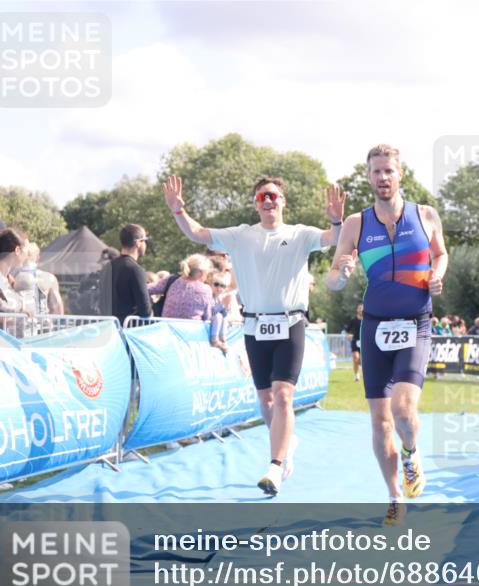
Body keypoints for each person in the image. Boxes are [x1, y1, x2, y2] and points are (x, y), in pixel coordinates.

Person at [163, 174, 344, 496]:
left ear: (283, 201)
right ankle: (286, 444)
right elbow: (197, 233)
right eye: (262, 196)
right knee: (266, 399)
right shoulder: (240, 236)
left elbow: (333, 238)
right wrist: (178, 210)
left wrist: (337, 220)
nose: (269, 200)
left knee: (284, 394)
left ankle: (275, 466)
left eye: (274, 195)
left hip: (290, 323)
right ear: (255, 203)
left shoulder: (300, 234)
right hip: (254, 325)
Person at [326, 144, 448, 526]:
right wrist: (342, 274)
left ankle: (411, 455)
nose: (383, 178)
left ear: (400, 174)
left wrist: (437, 274)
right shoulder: (355, 225)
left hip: (416, 322)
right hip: (375, 326)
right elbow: (332, 280)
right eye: (376, 172)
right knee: (380, 422)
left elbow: (441, 254)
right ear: (368, 176)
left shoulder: (425, 215)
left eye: (388, 171)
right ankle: (395, 496)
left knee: (404, 412)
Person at [100, 224, 153, 324]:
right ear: (138, 243)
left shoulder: (107, 267)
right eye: (145, 240)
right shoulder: (136, 270)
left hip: (109, 329)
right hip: (128, 331)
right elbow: (145, 311)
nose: (146, 244)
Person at [149, 254, 214, 320]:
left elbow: (146, 289)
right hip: (191, 329)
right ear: (202, 273)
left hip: (166, 327)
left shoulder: (171, 280)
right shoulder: (206, 290)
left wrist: (147, 307)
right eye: (207, 273)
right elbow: (207, 317)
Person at [344, 303, 363, 382]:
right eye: (359, 308)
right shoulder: (353, 320)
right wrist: (348, 335)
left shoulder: (368, 320)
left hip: (365, 342)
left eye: (362, 308)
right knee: (356, 358)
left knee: (362, 360)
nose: (361, 309)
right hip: (355, 341)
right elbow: (347, 330)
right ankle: (357, 376)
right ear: (357, 310)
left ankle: (364, 373)